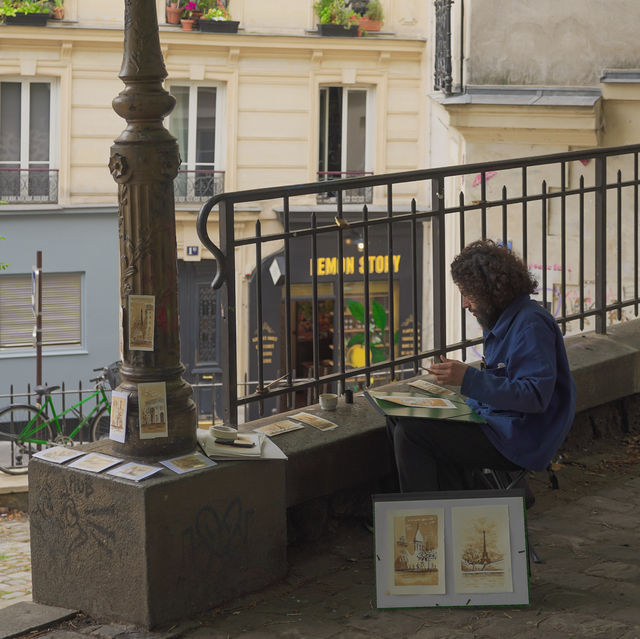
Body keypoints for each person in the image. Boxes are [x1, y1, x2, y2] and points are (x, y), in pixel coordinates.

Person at [386, 239, 576, 493]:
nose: (464, 304)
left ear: (489, 290)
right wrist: (462, 404)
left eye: (468, 294)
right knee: (398, 417)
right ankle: (450, 505)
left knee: (411, 433)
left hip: (520, 437)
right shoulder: (500, 320)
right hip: (497, 423)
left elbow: (534, 396)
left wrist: (469, 380)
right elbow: (498, 384)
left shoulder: (531, 324)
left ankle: (423, 518)